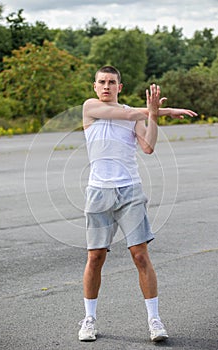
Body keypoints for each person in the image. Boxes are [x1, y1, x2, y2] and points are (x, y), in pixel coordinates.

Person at [78, 65, 197, 342]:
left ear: (120, 87)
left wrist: (154, 115)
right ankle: (89, 319)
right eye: (102, 82)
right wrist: (162, 111)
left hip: (130, 191)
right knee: (95, 258)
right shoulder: (91, 107)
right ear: (94, 86)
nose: (106, 86)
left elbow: (148, 146)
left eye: (112, 82)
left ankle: (154, 320)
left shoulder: (133, 115)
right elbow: (129, 113)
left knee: (140, 255)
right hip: (98, 192)